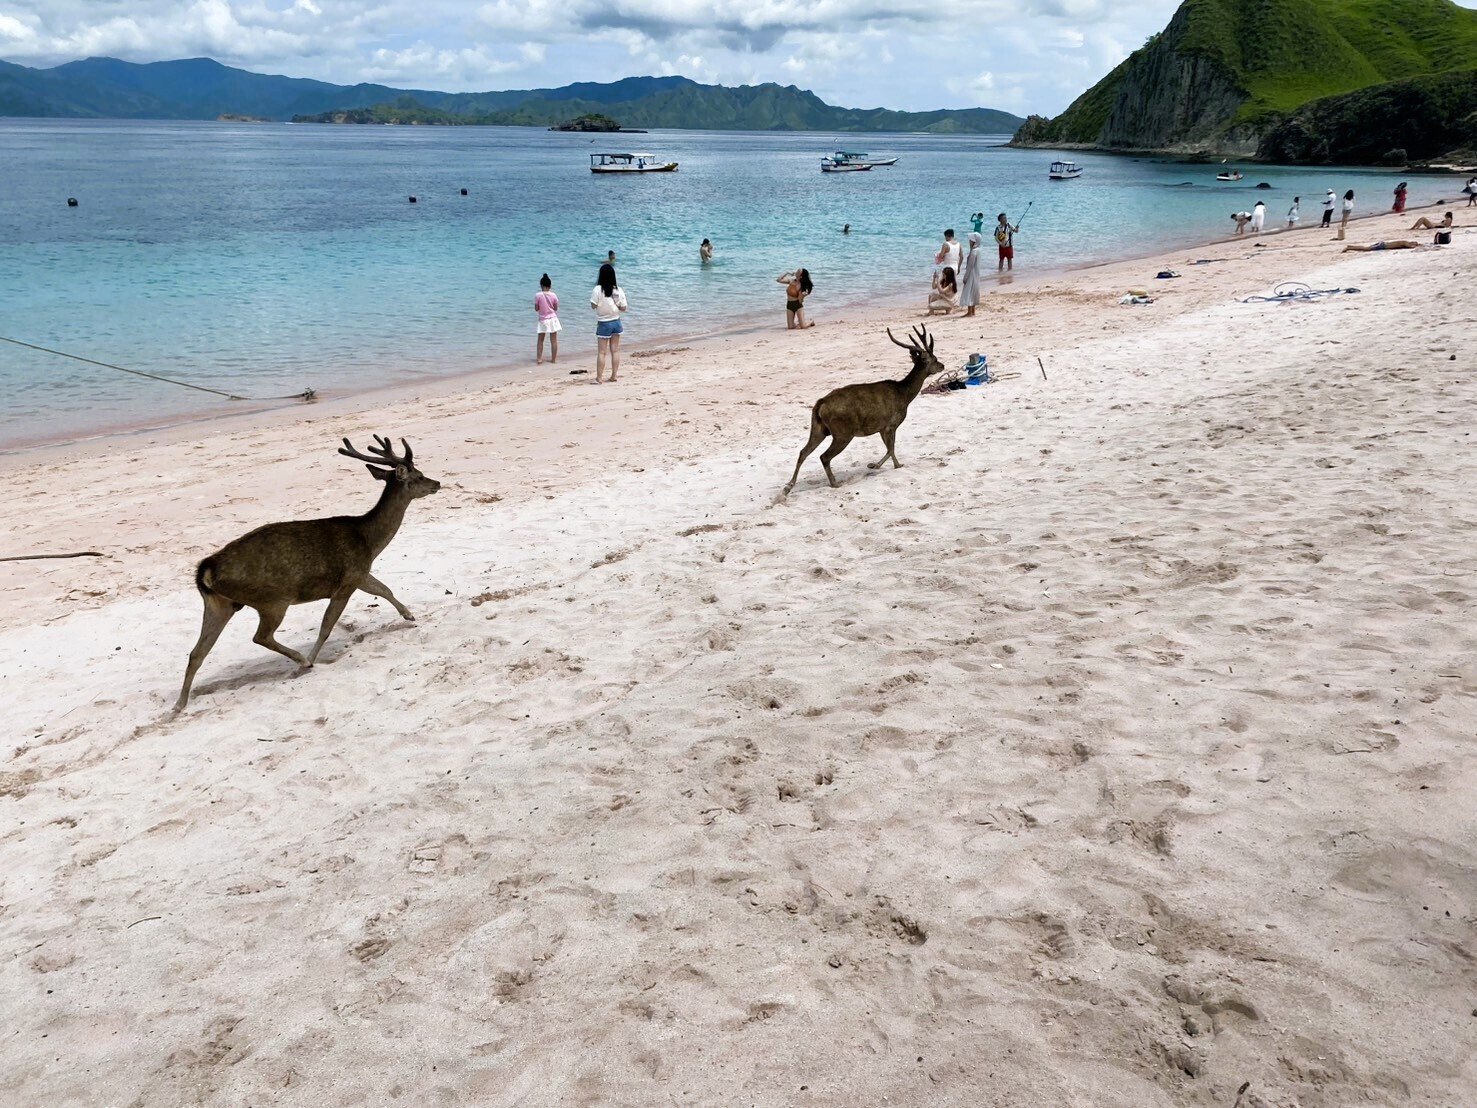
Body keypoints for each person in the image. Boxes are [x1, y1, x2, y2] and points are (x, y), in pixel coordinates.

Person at [590, 262, 627, 383]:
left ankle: (599, 378)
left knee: (602, 352)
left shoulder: (597, 289)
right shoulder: (618, 290)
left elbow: (593, 305)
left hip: (604, 323)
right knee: (615, 350)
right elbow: (624, 308)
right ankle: (614, 376)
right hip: (616, 322)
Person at [534, 273, 560, 365]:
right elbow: (556, 308)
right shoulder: (554, 295)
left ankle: (539, 359)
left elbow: (536, 309)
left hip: (543, 320)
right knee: (554, 340)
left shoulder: (538, 295)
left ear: (541, 285)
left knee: (540, 340)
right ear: (550, 286)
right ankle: (553, 359)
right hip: (553, 319)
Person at [958, 231, 982, 317]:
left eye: (971, 240)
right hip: (977, 274)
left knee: (969, 292)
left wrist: (965, 277)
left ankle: (969, 312)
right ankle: (973, 311)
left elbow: (970, 266)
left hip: (971, 274)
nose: (969, 242)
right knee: (973, 292)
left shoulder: (973, 252)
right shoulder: (979, 250)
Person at [1341, 240, 1419, 252]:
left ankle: (1351, 246)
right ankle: (1349, 248)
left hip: (1382, 244)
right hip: (1382, 245)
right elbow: (1409, 246)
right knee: (1366, 248)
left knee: (1366, 248)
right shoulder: (1405, 242)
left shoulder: (1404, 242)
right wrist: (1416, 246)